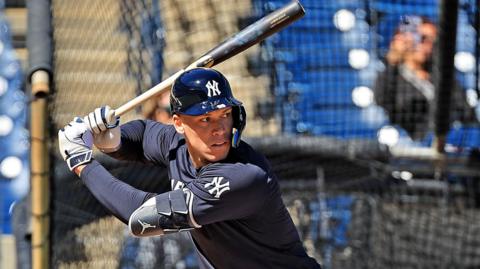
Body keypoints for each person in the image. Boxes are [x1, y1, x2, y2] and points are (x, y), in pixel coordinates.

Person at [58, 68, 321, 269]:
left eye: (224, 115)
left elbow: (141, 217)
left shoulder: (243, 175)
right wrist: (113, 140)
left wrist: (82, 163)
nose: (218, 129)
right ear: (179, 123)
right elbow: (144, 131)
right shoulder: (177, 144)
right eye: (205, 119)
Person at [374, 15, 477, 140]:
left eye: (432, 42)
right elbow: (385, 106)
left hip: (455, 141)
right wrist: (392, 60)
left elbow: (467, 112)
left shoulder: (441, 75)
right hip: (416, 147)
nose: (428, 47)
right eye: (422, 39)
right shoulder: (390, 79)